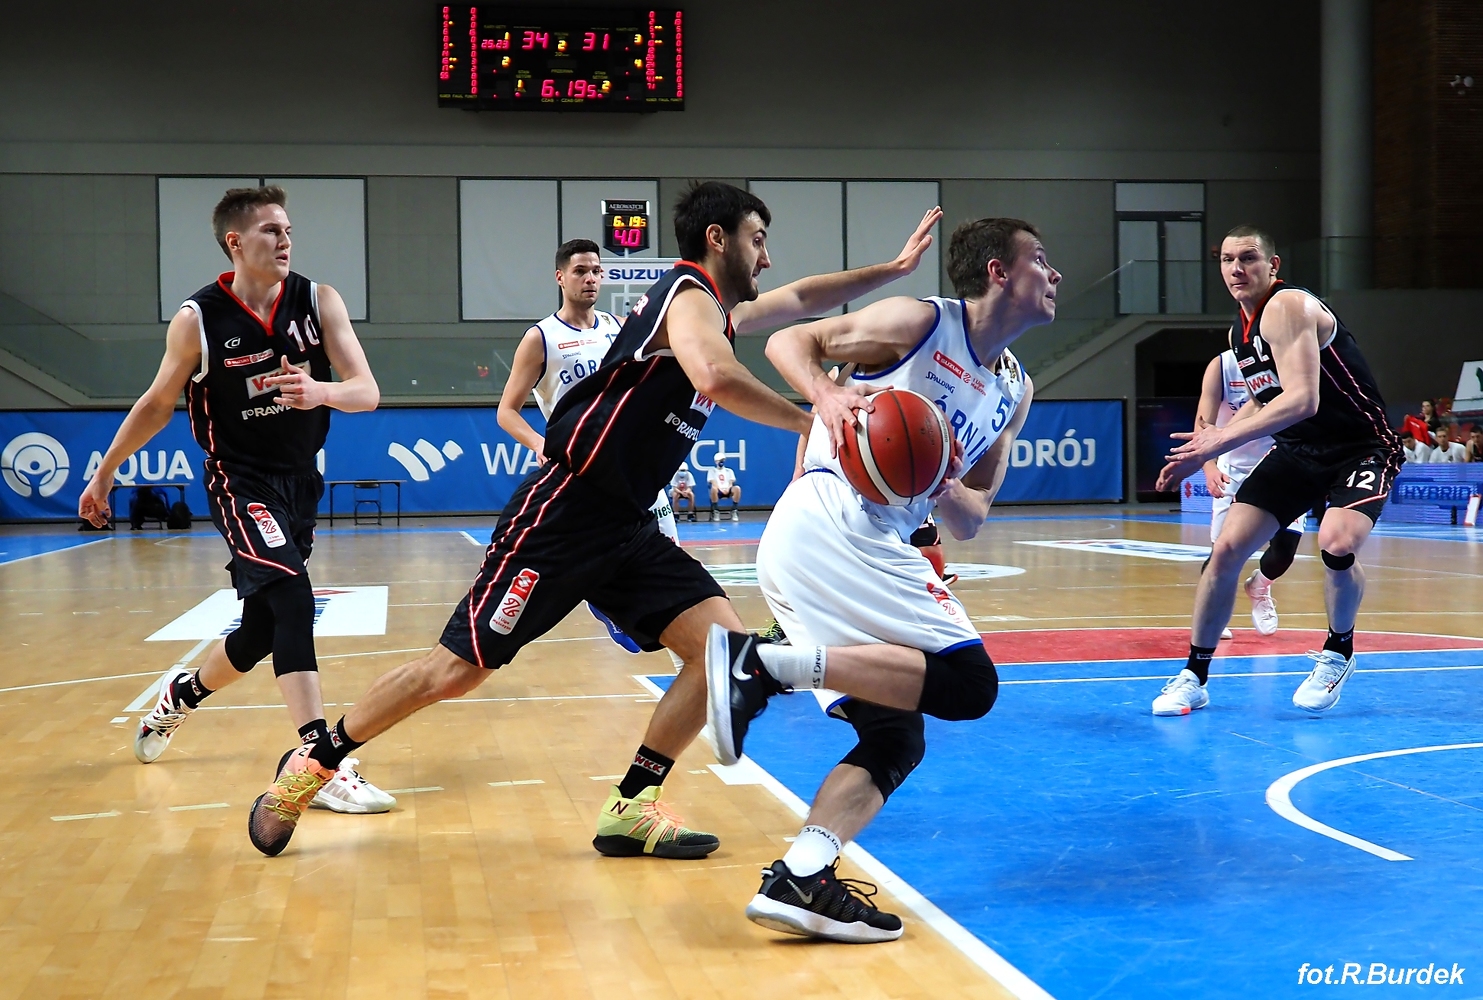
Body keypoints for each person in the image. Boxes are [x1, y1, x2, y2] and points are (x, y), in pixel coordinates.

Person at [244, 182, 944, 858]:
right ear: (717, 238)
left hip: (626, 525)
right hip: (565, 512)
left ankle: (631, 807)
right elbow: (713, 376)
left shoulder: (713, 308)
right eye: (756, 240)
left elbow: (801, 297)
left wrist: (891, 271)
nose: (766, 257)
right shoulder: (687, 294)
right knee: (454, 672)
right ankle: (315, 762)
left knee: (721, 650)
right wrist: (813, 416)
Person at [706, 217, 1051, 943]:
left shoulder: (1015, 391)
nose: (1053, 275)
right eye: (1039, 260)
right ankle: (762, 666)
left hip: (845, 540)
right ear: (997, 271)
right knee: (970, 685)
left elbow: (970, 518)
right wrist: (825, 397)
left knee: (895, 735)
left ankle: (801, 875)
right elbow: (787, 342)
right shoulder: (920, 323)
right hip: (836, 514)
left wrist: (941, 474)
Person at [77, 185, 394, 814]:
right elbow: (156, 404)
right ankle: (316, 761)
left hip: (299, 480)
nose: (285, 241)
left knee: (260, 631)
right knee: (295, 598)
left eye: (288, 230)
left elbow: (366, 391)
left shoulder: (319, 300)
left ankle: (180, 695)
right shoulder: (198, 319)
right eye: (272, 230)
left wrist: (321, 392)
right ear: (236, 242)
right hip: (239, 481)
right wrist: (106, 472)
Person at [1150, 224, 1402, 717]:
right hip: (1299, 451)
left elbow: (1303, 400)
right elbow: (1265, 400)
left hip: (1360, 447)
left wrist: (1220, 439)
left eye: (1248, 258)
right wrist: (1203, 452)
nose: (1236, 269)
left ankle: (1338, 653)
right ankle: (1194, 677)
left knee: (1337, 541)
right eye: (1227, 260)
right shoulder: (1239, 333)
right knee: (1226, 549)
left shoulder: (1288, 307)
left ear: (1273, 265)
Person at [495, 238, 678, 653]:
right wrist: (540, 444)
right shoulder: (541, 337)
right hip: (583, 471)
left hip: (634, 466)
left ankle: (685, 657)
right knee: (591, 558)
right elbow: (506, 411)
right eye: (580, 271)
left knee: (670, 561)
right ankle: (603, 599)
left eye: (596, 271)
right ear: (560, 277)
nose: (590, 278)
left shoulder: (619, 327)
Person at [1194, 349, 1305, 638]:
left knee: (1284, 552)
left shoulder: (1291, 357)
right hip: (1234, 466)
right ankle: (1214, 612)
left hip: (1283, 463)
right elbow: (1203, 423)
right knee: (1222, 553)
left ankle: (1260, 586)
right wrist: (1208, 466)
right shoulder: (1222, 365)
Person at [707, 455, 742, 520]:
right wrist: (720, 489)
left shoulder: (729, 471)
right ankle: (716, 511)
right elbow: (713, 482)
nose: (721, 462)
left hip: (728, 490)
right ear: (716, 461)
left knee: (737, 488)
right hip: (718, 490)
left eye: (722, 460)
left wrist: (727, 489)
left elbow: (731, 482)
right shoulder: (712, 471)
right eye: (720, 460)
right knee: (713, 489)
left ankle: (734, 510)